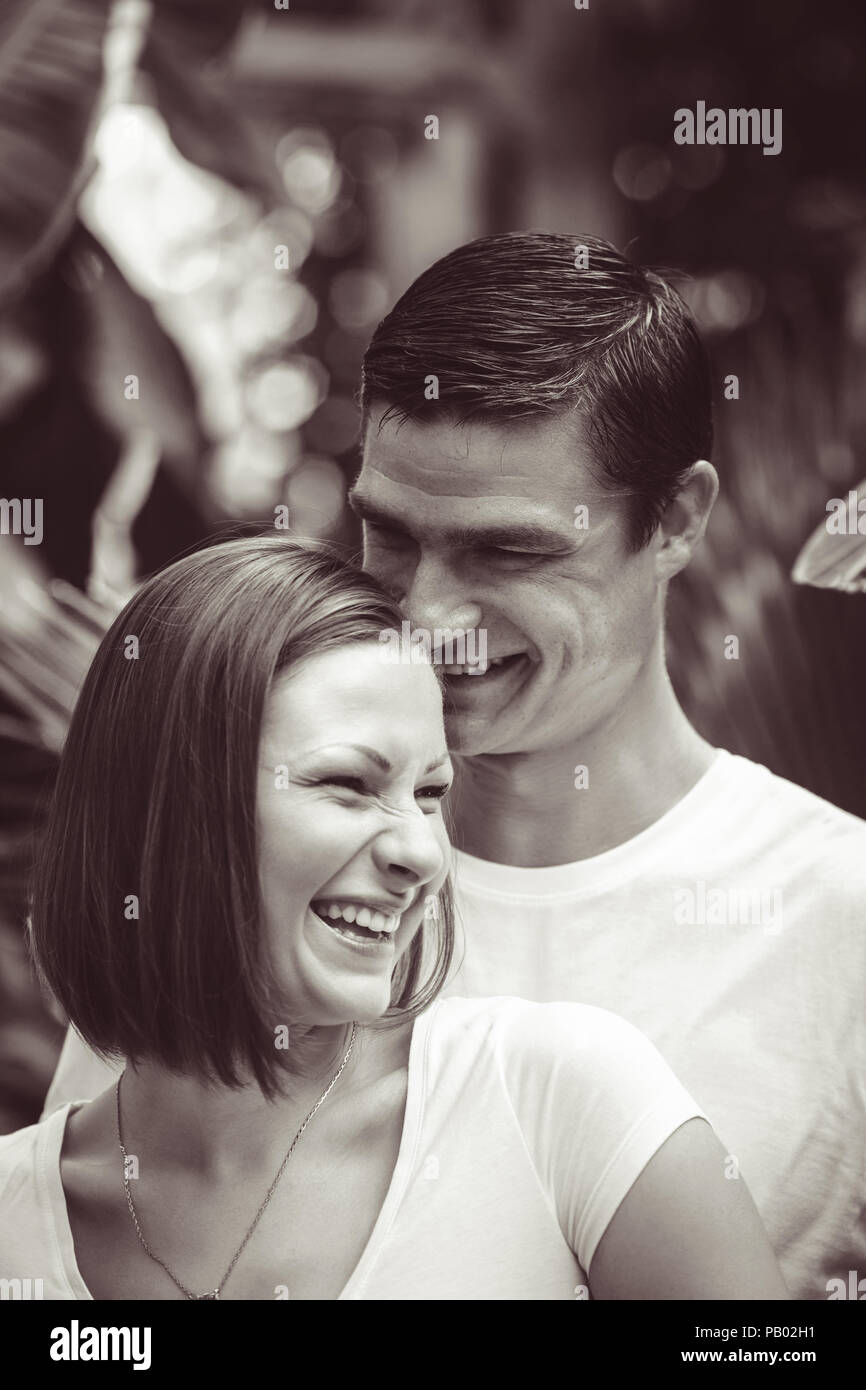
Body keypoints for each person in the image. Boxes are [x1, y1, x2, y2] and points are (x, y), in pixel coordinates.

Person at [42, 232, 866, 1299]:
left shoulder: (837, 919)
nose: (425, 617)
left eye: (504, 550)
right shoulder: (234, 872)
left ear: (674, 518)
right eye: (389, 535)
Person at [0, 537, 787, 1300]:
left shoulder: (557, 1099)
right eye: (346, 782)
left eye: (432, 793)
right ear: (160, 813)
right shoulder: (16, 1216)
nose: (424, 853)